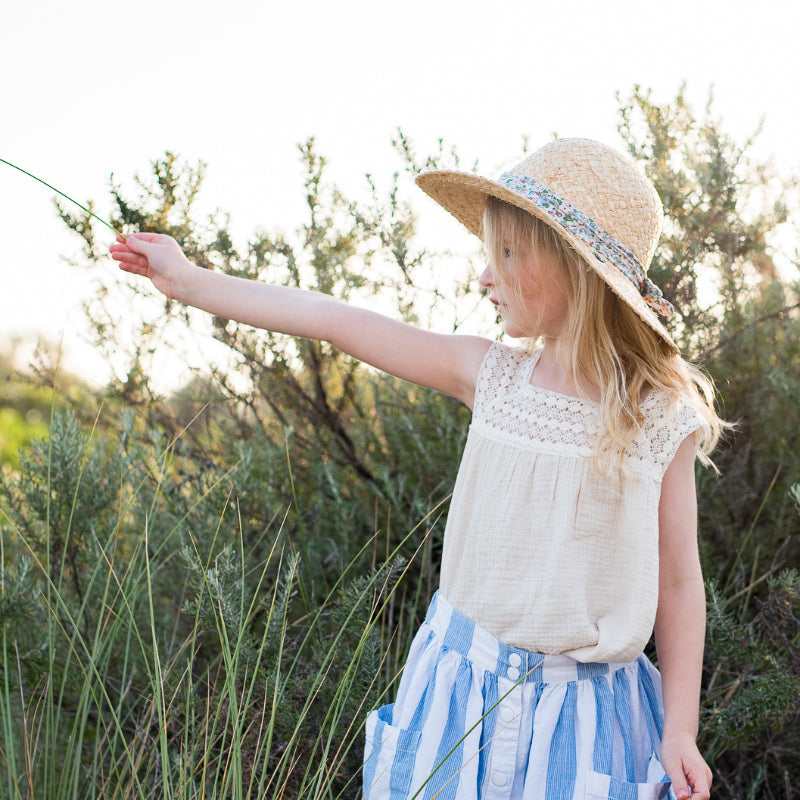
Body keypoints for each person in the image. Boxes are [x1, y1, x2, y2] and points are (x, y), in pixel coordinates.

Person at [110, 137, 720, 800]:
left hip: (587, 713)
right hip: (456, 686)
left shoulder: (658, 416)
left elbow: (680, 584)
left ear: (573, 266)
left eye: (507, 254)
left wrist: (678, 730)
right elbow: (334, 320)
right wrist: (192, 281)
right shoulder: (488, 375)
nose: (486, 275)